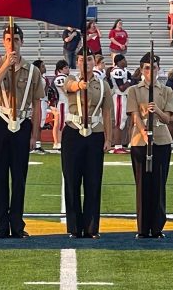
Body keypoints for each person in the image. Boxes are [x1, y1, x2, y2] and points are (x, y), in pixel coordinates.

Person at [0, 24, 44, 239]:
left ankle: (17, 224)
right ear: (3, 42)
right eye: (8, 39)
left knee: (19, 177)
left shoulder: (33, 70)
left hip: (22, 123)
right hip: (0, 121)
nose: (12, 43)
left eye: (16, 39)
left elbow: (36, 104)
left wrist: (35, 135)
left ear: (22, 42)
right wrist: (4, 66)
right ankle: (1, 226)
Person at [61, 50, 113, 239]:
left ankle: (92, 227)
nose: (85, 62)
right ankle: (75, 227)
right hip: (73, 132)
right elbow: (70, 87)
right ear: (77, 61)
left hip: (95, 133)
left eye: (89, 59)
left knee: (93, 181)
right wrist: (78, 85)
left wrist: (108, 138)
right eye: (81, 59)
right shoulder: (69, 79)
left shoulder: (103, 84)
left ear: (94, 62)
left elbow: (108, 112)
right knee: (72, 180)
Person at [127, 52, 173, 239]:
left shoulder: (167, 91)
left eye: (153, 68)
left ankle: (157, 227)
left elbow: (170, 118)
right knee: (142, 185)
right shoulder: (134, 90)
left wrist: (158, 110)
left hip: (162, 139)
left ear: (158, 69)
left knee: (159, 183)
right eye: (146, 68)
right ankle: (142, 227)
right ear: (141, 70)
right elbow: (134, 115)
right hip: (141, 140)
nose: (150, 71)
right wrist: (144, 133)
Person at [110, 54, 132, 154]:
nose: (126, 61)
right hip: (119, 97)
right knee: (118, 122)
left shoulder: (123, 71)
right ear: (119, 62)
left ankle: (119, 145)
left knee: (122, 122)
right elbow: (121, 88)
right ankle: (117, 146)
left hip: (123, 97)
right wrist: (130, 80)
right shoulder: (117, 71)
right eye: (124, 60)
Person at [51, 60, 69, 151]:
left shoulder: (65, 77)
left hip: (65, 102)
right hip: (63, 103)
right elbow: (66, 91)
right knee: (61, 124)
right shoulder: (60, 78)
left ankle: (59, 142)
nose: (68, 69)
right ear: (60, 69)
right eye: (65, 68)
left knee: (63, 123)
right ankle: (59, 143)